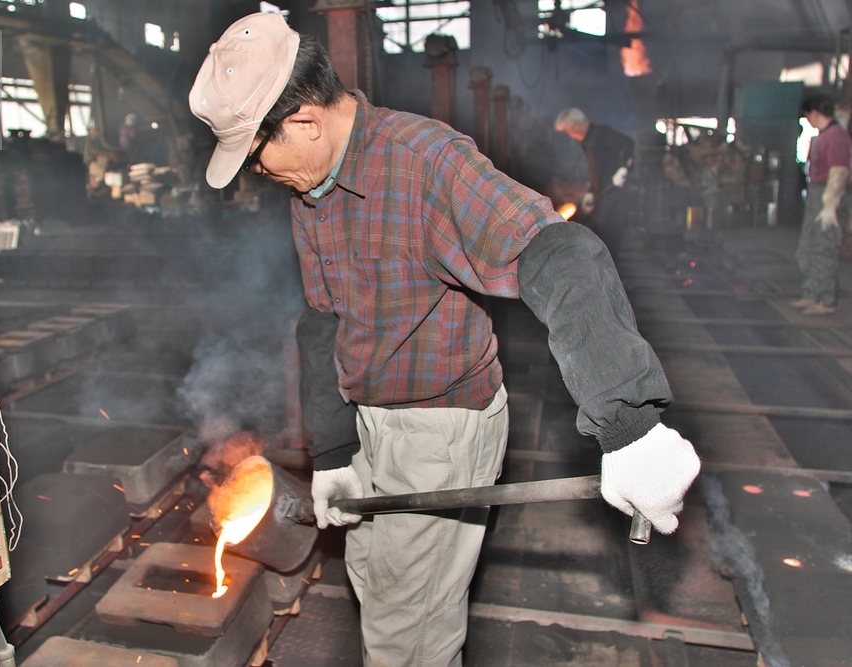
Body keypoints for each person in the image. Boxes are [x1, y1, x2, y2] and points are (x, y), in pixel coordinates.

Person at [189, 13, 700, 667]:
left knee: (408, 640)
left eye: (257, 154)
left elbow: (561, 253)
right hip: (370, 422)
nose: (257, 171)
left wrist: (629, 425)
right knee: (379, 588)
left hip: (439, 428)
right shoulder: (310, 191)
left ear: (304, 121)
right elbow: (322, 320)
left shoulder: (425, 163)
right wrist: (336, 448)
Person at [792, 93, 851, 316]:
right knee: (809, 247)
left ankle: (826, 300)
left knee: (824, 248)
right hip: (817, 193)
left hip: (829, 195)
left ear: (815, 113)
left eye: (808, 116)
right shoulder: (824, 135)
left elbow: (839, 172)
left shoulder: (836, 136)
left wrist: (830, 206)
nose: (808, 120)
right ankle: (812, 294)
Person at [554, 108, 635, 261]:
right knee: (600, 238)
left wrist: (623, 168)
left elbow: (628, 143)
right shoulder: (587, 142)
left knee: (610, 240)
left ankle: (610, 273)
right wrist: (591, 192)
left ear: (577, 125)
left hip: (615, 195)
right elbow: (597, 171)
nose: (570, 135)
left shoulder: (602, 133)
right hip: (604, 195)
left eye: (568, 131)